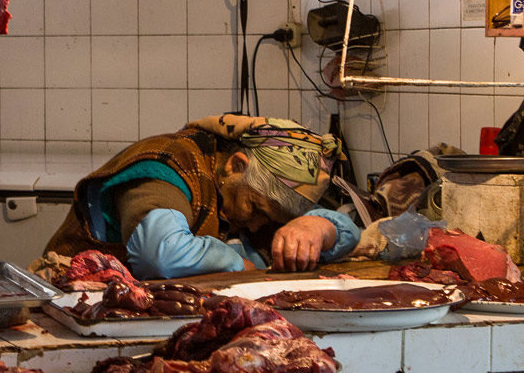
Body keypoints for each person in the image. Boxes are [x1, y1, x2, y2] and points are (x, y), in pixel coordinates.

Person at [39, 114, 360, 279]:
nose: (255, 226)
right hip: (76, 312)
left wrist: (316, 227)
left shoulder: (246, 193)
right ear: (236, 165)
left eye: (271, 220)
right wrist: (239, 263)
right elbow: (161, 254)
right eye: (255, 207)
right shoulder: (166, 165)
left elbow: (351, 236)